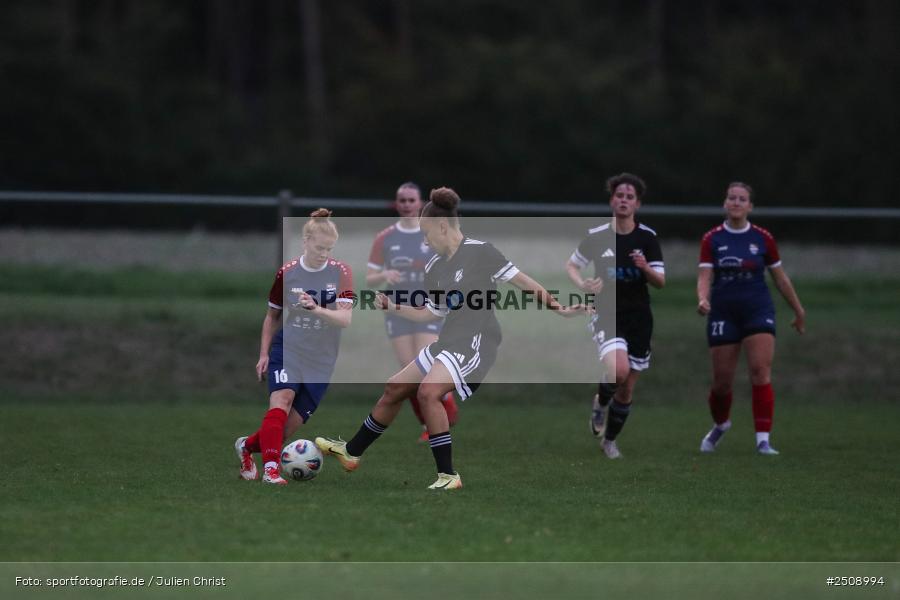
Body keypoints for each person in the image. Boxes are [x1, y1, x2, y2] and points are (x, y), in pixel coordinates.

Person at [316, 187, 587, 490]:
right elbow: (429, 314)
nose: (425, 240)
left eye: (426, 233)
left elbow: (525, 282)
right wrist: (394, 306)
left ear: (442, 226)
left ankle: (449, 476)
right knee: (395, 387)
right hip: (448, 340)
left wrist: (560, 308)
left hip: (476, 341)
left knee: (428, 393)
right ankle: (351, 452)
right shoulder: (434, 267)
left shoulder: (481, 252)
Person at [234, 209, 354, 485]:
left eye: (329, 249)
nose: (324, 253)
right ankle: (271, 471)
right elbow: (272, 316)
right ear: (305, 241)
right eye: (319, 247)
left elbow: (345, 319)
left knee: (284, 430)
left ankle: (246, 447)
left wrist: (316, 309)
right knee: (282, 400)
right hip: (289, 350)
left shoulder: (341, 272)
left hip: (322, 359)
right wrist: (264, 353)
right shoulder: (288, 273)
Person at [697, 182, 805, 455]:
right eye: (731, 198)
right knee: (721, 383)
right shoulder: (712, 239)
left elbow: (779, 278)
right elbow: (704, 276)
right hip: (723, 312)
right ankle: (721, 425)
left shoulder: (763, 238)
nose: (736, 202)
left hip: (758, 309)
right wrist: (703, 298)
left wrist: (798, 309)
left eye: (741, 199)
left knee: (760, 371)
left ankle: (763, 440)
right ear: (725, 203)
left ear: (750, 206)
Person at [566, 173, 665, 459]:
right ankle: (600, 402)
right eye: (619, 195)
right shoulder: (597, 237)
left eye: (629, 197)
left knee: (627, 387)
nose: (623, 200)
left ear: (637, 204)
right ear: (612, 200)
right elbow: (572, 266)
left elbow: (660, 281)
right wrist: (582, 283)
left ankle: (609, 441)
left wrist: (645, 268)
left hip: (639, 317)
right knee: (618, 371)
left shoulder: (647, 238)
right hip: (606, 312)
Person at [366, 182, 459, 442]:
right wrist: (385, 274)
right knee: (408, 371)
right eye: (402, 200)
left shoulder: (431, 232)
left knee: (425, 366)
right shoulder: (385, 237)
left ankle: (443, 410)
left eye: (411, 200)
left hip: (428, 307)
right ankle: (428, 425)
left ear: (420, 204)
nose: (406, 204)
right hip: (396, 309)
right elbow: (371, 279)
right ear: (396, 204)